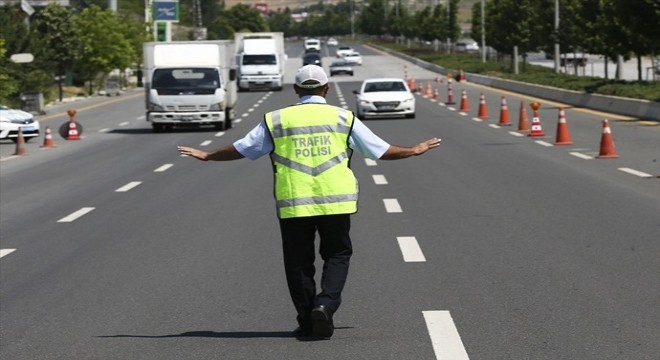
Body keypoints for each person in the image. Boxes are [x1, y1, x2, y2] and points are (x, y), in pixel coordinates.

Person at [177, 65, 441, 339]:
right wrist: (413, 150)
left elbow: (243, 148)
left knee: (298, 263)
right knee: (337, 255)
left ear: (296, 89)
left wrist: (208, 155)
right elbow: (380, 150)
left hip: (294, 201)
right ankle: (325, 305)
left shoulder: (277, 119)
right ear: (326, 89)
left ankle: (307, 320)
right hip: (336, 201)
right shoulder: (342, 117)